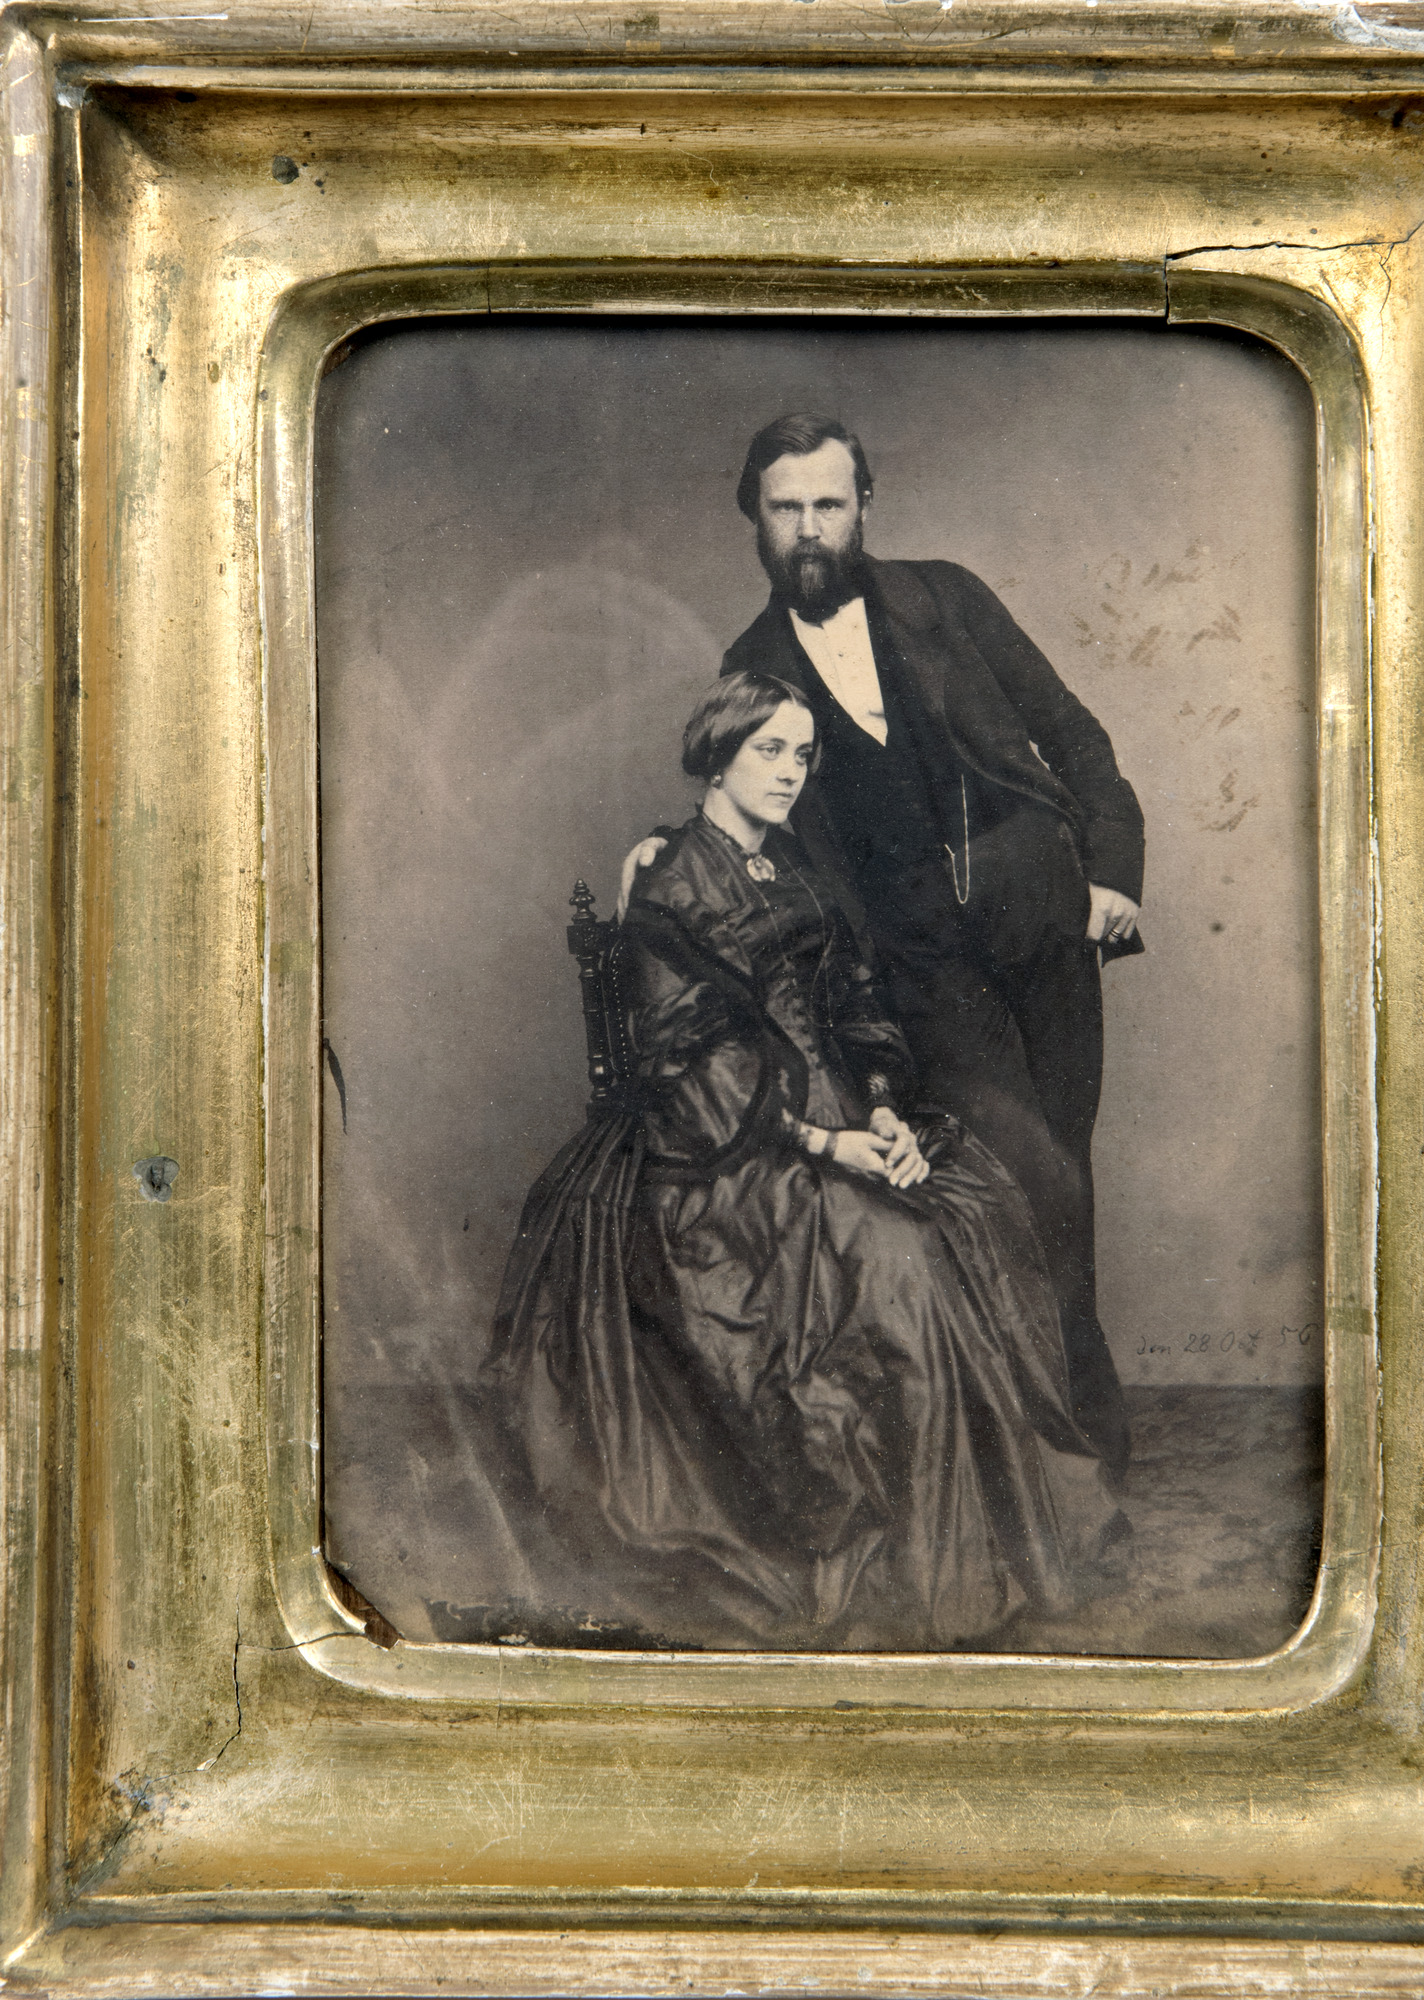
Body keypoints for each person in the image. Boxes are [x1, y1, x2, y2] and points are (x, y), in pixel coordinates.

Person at [486, 672, 1124, 1652]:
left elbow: (853, 1002)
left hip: (833, 1113)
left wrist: (882, 1108)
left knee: (970, 1216)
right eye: (768, 750)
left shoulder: (787, 864)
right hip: (720, 1147)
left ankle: (985, 1544)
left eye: (801, 752)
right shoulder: (669, 880)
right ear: (717, 755)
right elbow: (688, 1062)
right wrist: (826, 1141)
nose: (790, 771)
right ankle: (911, 1560)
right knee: (893, 1261)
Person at [626, 415, 1144, 1479]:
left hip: (1041, 928)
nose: (809, 529)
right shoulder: (754, 662)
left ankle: (1064, 1428)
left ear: (865, 504)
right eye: (785, 509)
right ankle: (1074, 1446)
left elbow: (1072, 733)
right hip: (919, 970)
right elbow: (748, 800)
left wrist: (1112, 874)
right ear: (754, 520)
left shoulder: (944, 597)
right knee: (1027, 1179)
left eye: (828, 503)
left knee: (1067, 1168)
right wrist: (669, 845)